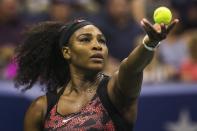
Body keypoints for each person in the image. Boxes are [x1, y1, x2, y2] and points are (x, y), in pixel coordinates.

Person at [14, 18, 178, 130]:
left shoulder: (115, 91)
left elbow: (131, 68)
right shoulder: (41, 108)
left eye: (102, 41)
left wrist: (150, 43)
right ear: (66, 52)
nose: (97, 46)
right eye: (85, 39)